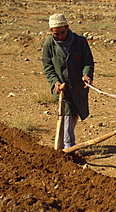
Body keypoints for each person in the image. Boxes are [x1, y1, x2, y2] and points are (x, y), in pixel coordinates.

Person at [42, 14, 94, 149]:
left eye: (62, 32)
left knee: (73, 114)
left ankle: (65, 143)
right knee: (67, 114)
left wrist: (86, 74)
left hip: (78, 87)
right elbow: (48, 67)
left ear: (67, 27)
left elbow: (88, 61)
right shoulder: (48, 45)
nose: (60, 36)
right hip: (62, 89)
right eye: (56, 34)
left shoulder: (80, 41)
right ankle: (68, 146)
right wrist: (54, 82)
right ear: (51, 31)